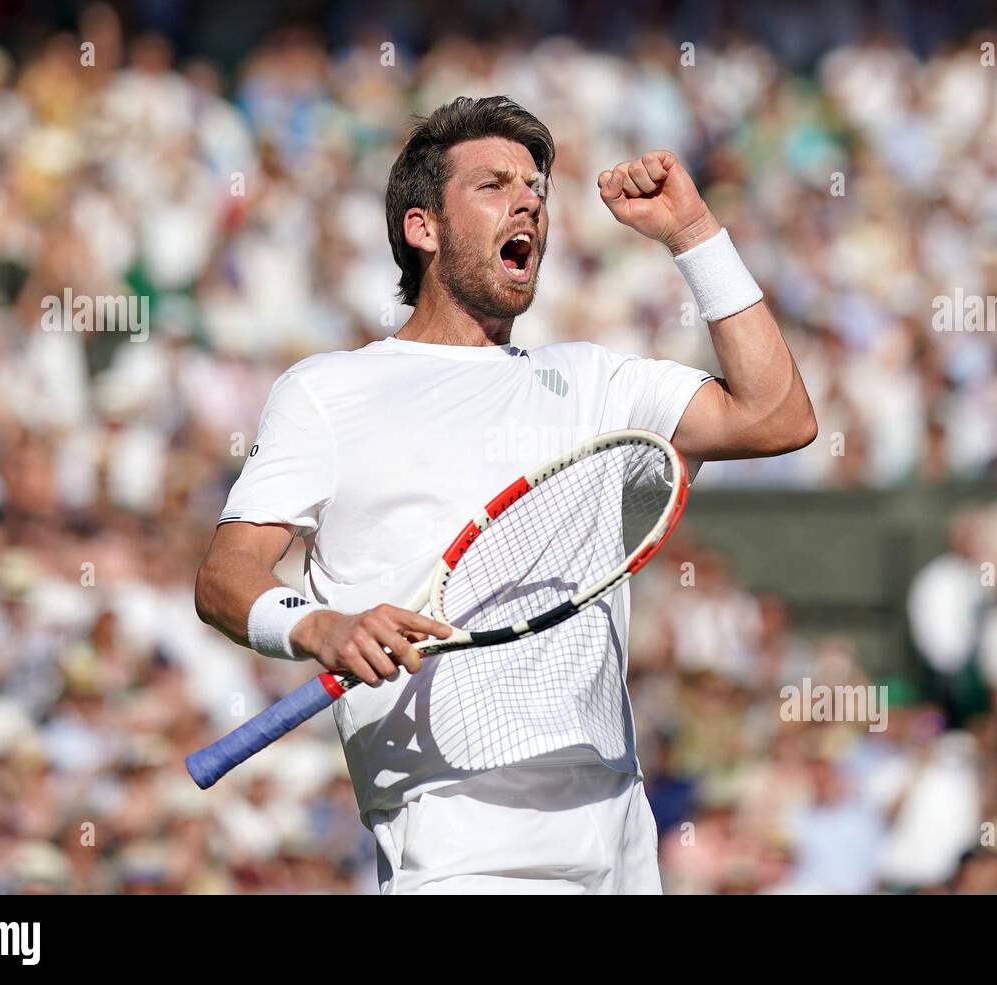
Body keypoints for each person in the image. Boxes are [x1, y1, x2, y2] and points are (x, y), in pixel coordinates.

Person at [194, 95, 816, 893]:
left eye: (535, 187)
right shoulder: (328, 391)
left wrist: (694, 234)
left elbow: (778, 416)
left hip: (621, 838)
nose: (528, 199)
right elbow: (223, 576)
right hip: (461, 844)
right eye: (494, 185)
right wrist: (320, 625)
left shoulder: (596, 379)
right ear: (423, 227)